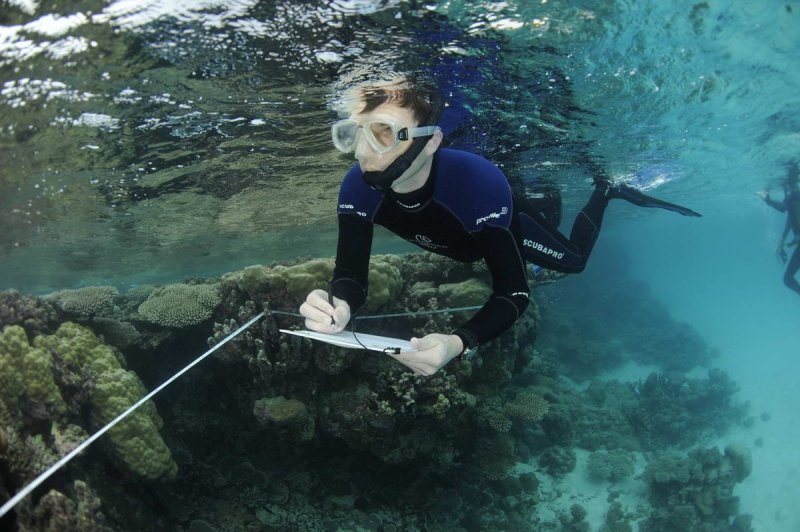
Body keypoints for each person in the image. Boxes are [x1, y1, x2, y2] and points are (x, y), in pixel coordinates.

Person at [300, 78, 701, 376]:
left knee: (574, 261)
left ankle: (605, 189)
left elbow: (513, 290)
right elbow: (350, 274)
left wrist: (457, 343)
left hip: (506, 220)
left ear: (432, 140)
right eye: (352, 134)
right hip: (465, 238)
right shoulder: (356, 186)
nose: (365, 151)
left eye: (384, 133)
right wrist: (339, 307)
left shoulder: (477, 181)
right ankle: (553, 201)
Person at [757, 161, 800, 296]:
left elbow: (782, 209)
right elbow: (791, 219)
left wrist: (767, 199)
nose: (785, 188)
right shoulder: (795, 196)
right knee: (787, 279)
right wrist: (783, 240)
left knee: (787, 279)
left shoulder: (793, 196)